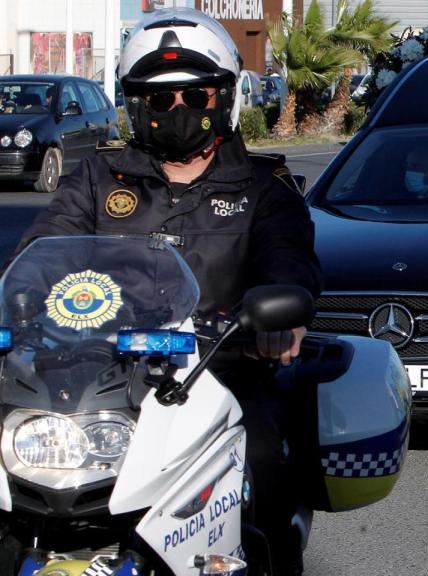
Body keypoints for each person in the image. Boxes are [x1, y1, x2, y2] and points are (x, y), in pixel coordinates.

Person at [14, 8, 320, 574]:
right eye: (159, 101)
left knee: (262, 461)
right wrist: (22, 299)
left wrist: (281, 314)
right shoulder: (96, 179)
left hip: (220, 373)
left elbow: (290, 261)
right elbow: (40, 253)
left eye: (194, 97)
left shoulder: (263, 186)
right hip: (94, 377)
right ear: (136, 106)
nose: (177, 111)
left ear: (223, 99)